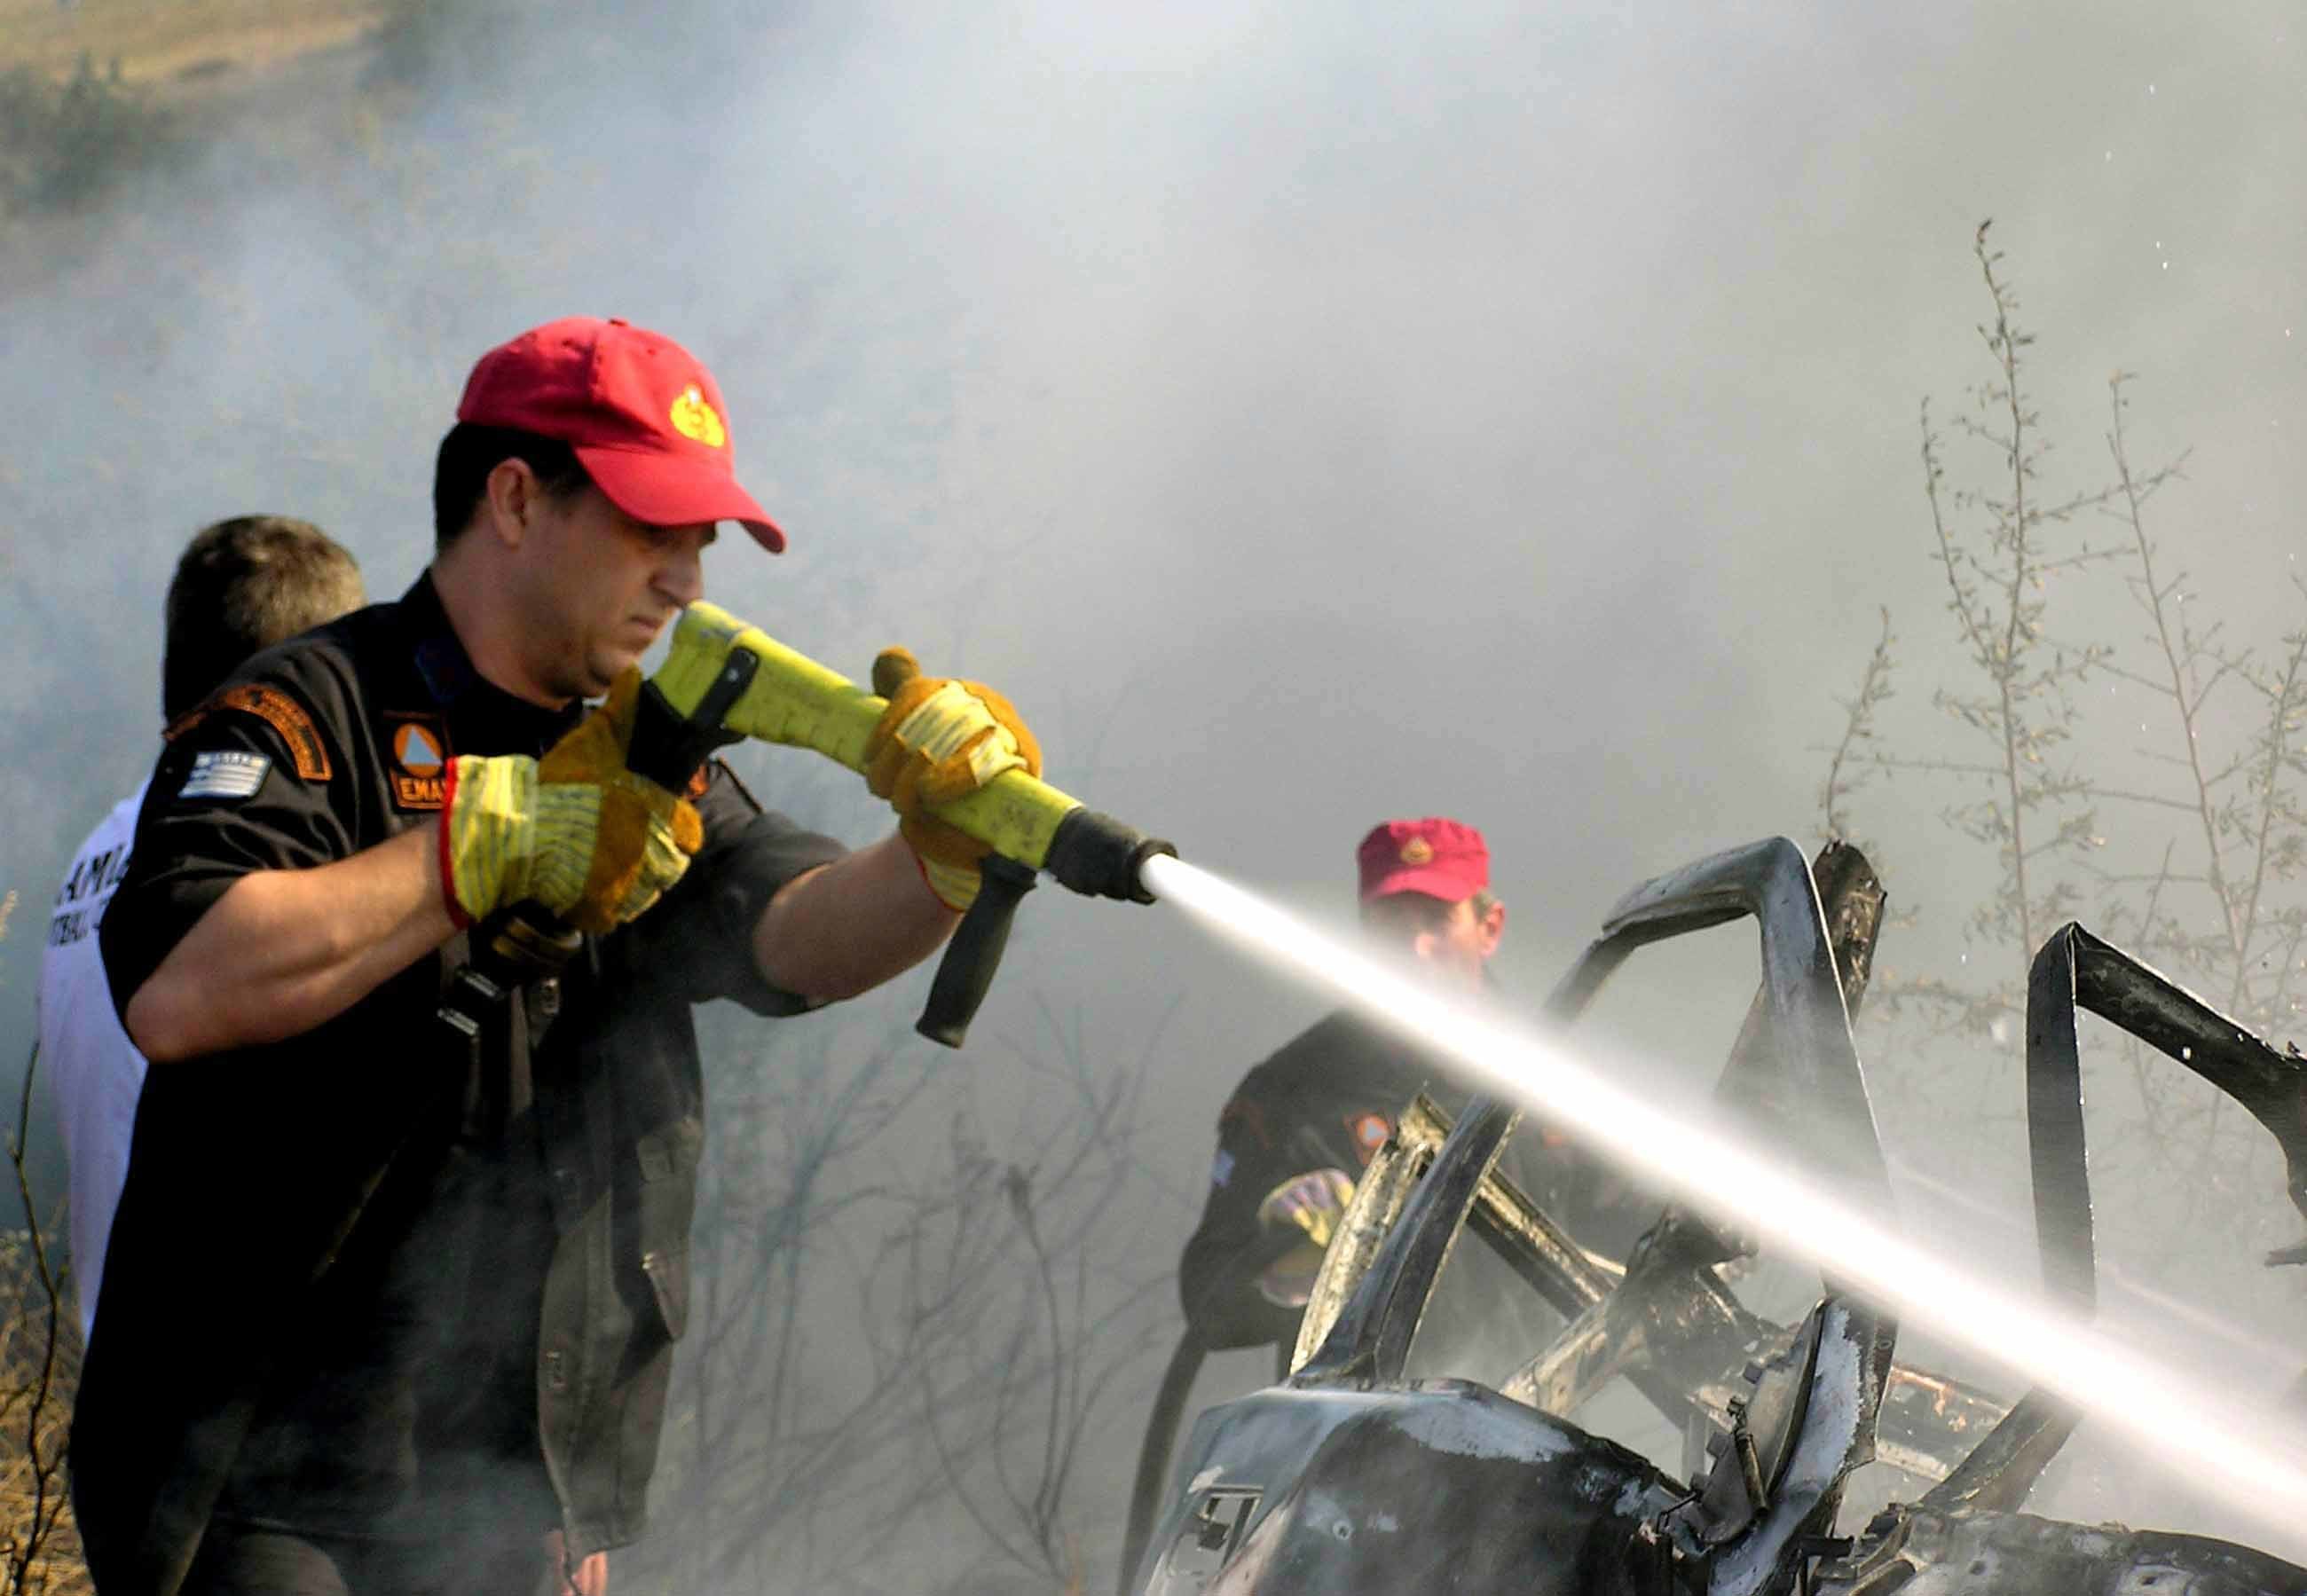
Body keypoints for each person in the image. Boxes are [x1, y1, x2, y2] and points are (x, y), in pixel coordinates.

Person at [72, 316, 1041, 1596]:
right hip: (259, 1487)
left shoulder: (640, 757)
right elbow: (181, 983)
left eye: (702, 540)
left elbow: (795, 934)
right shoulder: (301, 710)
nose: (685, 580)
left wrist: (937, 855)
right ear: (517, 498)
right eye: (652, 527)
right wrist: (481, 847)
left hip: (506, 1496)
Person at [36, 516, 365, 1346]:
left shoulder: (102, 849)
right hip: (240, 1381)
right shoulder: (275, 881)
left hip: (131, 1368)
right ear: (311, 680)